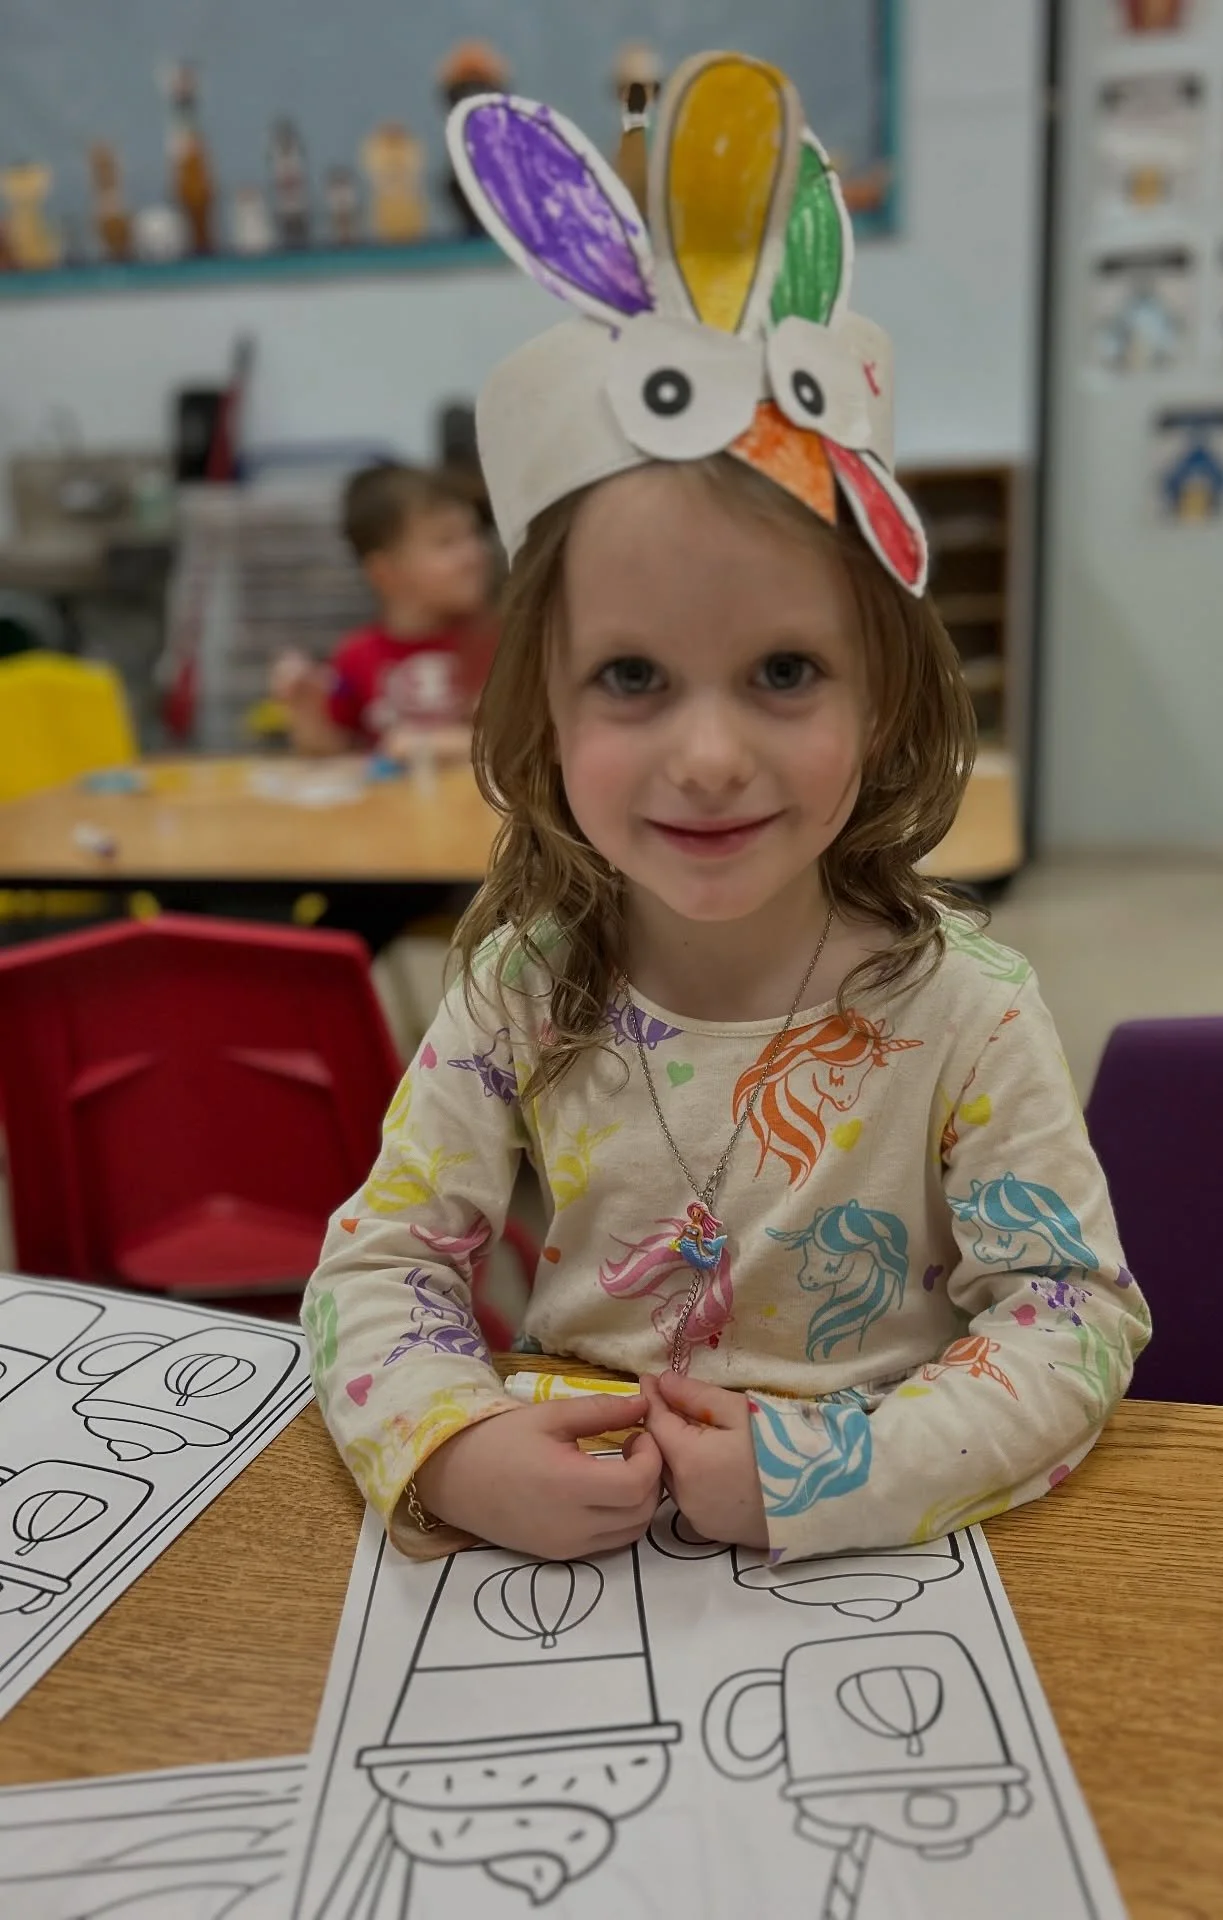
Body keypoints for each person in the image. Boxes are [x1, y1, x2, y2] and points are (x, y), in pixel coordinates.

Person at [303, 51, 1150, 1568]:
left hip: (891, 1580)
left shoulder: (966, 1012)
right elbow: (377, 1265)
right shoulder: (518, 988)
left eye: (781, 672)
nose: (706, 757)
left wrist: (839, 1472)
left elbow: (1072, 1319)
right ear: (542, 711)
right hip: (562, 1595)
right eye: (631, 676)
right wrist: (447, 1441)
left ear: (880, 697)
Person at [271, 462, 497, 758]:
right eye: (447, 542)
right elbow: (328, 755)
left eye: (474, 535)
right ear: (385, 573)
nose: (474, 553)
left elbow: (523, 747)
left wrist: (430, 745)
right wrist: (305, 709)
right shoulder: (355, 656)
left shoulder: (500, 643)